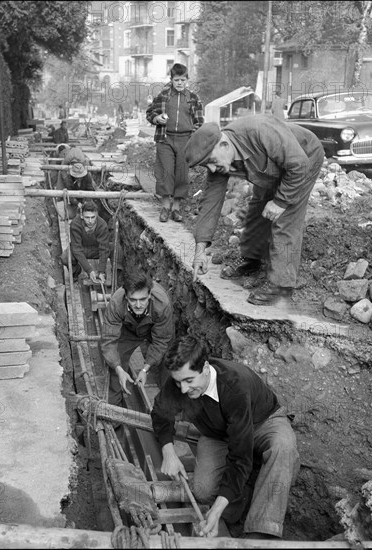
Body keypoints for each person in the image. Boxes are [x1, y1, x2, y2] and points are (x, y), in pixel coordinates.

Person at [151, 335, 300, 540]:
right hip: (219, 433)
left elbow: (239, 456)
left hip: (263, 422)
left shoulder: (234, 386)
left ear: (204, 368)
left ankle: (262, 534)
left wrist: (217, 509)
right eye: (178, 383)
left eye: (189, 381)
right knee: (203, 491)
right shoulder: (180, 379)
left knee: (283, 447)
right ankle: (236, 506)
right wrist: (168, 452)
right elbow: (160, 412)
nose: (183, 389)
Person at [185, 118, 324, 306]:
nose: (211, 169)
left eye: (211, 161)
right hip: (271, 167)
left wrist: (280, 202)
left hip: (304, 158)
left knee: (285, 217)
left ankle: (281, 284)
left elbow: (299, 165)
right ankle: (252, 259)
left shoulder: (261, 132)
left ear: (224, 145)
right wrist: (199, 250)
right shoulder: (221, 158)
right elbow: (210, 204)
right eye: (205, 165)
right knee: (259, 207)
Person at [101, 270, 174, 407]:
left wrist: (145, 369)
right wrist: (118, 368)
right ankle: (113, 412)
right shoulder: (116, 303)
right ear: (126, 297)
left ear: (150, 295)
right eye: (133, 300)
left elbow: (161, 340)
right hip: (129, 329)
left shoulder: (162, 305)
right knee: (117, 363)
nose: (138, 305)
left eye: (143, 299)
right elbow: (109, 339)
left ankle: (168, 407)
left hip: (154, 329)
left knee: (169, 361)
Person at [146, 63, 204, 223]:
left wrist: (194, 134)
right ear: (171, 80)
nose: (179, 83)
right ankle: (165, 207)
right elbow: (150, 113)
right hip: (165, 139)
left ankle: (176, 209)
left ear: (187, 80)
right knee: (166, 173)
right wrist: (156, 119)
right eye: (176, 80)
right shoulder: (164, 96)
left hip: (185, 140)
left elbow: (199, 121)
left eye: (183, 80)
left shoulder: (193, 98)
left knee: (181, 175)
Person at [60, 201, 111, 283]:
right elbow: (77, 249)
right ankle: (76, 272)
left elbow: (104, 249)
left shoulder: (102, 225)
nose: (90, 221)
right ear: (81, 215)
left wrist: (101, 271)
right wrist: (89, 270)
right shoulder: (75, 224)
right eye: (87, 217)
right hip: (82, 249)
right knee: (65, 257)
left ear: (97, 215)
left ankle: (115, 278)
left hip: (96, 250)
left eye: (93, 217)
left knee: (116, 249)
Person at [55, 146, 95, 220]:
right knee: (70, 215)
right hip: (74, 198)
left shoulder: (87, 175)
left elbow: (90, 189)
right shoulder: (68, 178)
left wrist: (85, 201)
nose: (79, 178)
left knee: (90, 211)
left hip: (84, 197)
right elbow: (69, 193)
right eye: (77, 177)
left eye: (80, 176)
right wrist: (77, 203)